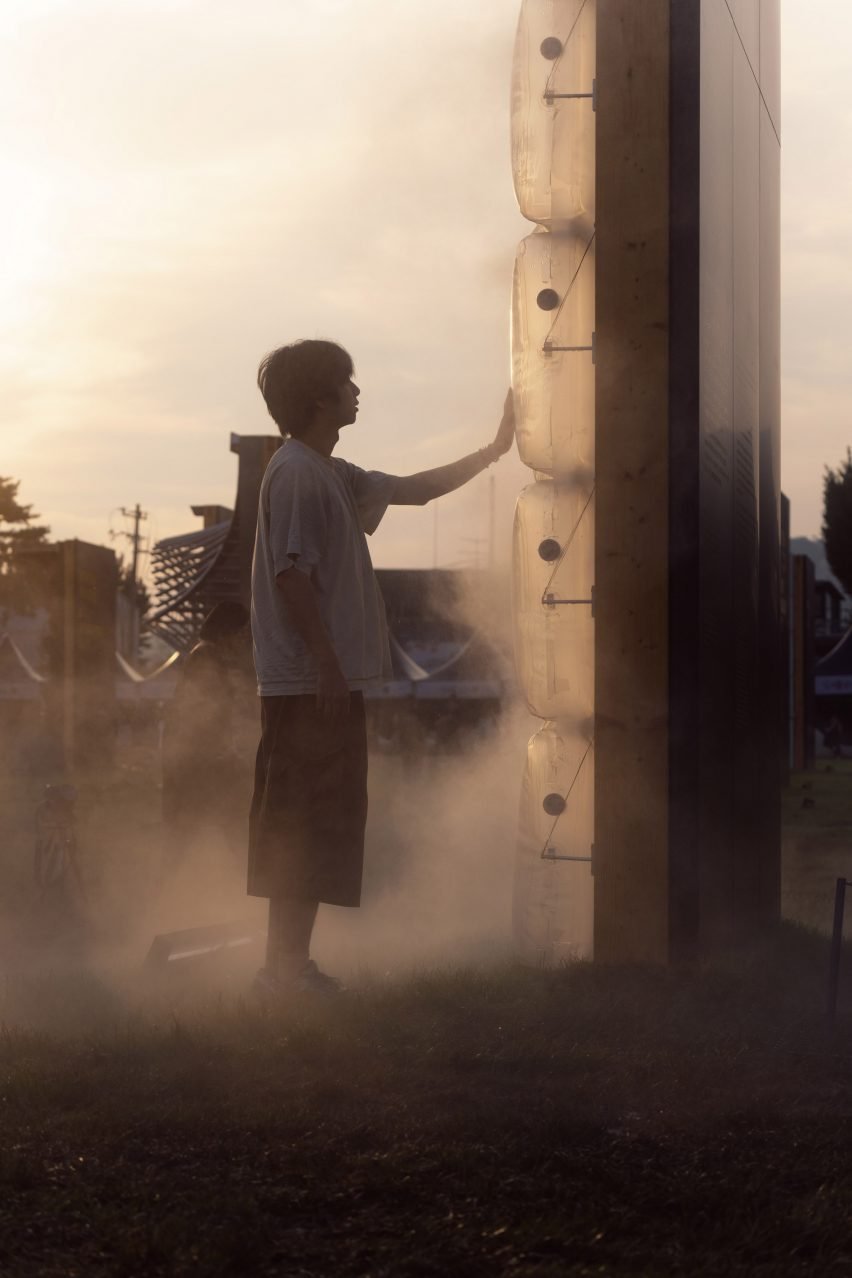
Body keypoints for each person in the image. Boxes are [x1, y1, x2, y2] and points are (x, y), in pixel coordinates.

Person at [248, 338, 515, 995]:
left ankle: (289, 968)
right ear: (318, 398)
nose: (357, 391)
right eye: (347, 381)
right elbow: (292, 576)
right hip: (310, 686)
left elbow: (415, 491)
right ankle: (281, 972)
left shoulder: (331, 474)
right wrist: (328, 667)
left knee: (318, 823)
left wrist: (495, 448)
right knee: (302, 823)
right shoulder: (298, 474)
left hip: (322, 682)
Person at [161, 600, 251, 869]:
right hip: (200, 769)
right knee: (232, 836)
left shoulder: (206, 657)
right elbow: (204, 716)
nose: (243, 641)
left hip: (199, 767)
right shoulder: (207, 659)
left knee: (185, 842)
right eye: (241, 633)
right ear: (227, 632)